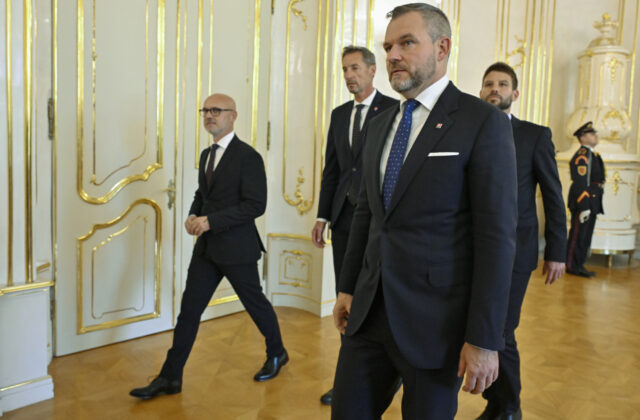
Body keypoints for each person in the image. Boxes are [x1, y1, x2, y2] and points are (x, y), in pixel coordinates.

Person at [331, 4, 518, 419]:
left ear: (442, 47)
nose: (393, 55)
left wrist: (485, 339)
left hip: (437, 325)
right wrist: (347, 287)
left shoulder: (481, 122)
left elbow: (496, 238)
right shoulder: (379, 124)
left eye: (406, 43)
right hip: (368, 315)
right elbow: (367, 214)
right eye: (388, 47)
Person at [130, 94, 288, 400]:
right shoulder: (206, 155)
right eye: (205, 110)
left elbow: (256, 205)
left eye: (216, 110)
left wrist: (211, 221)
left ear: (233, 115)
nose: (209, 115)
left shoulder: (249, 157)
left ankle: (277, 352)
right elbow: (203, 195)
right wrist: (193, 214)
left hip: (238, 249)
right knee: (189, 311)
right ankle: (170, 377)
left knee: (255, 305)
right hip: (207, 250)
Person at [477, 62, 567, 420]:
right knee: (482, 328)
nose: (494, 89)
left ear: (514, 93)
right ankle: (495, 402)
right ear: (480, 92)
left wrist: (557, 251)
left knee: (501, 330)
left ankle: (509, 406)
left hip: (516, 250)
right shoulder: (468, 131)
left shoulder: (534, 135)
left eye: (502, 84)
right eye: (488, 84)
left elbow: (553, 196)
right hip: (473, 249)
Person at [312, 45, 397, 406]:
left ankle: (388, 373)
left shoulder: (394, 109)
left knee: (377, 297)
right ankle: (348, 378)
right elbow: (332, 170)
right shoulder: (339, 114)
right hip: (345, 219)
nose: (349, 75)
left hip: (379, 222)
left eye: (355, 68)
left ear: (372, 70)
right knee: (345, 297)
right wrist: (322, 216)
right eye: (345, 69)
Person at [566, 121, 605, 277]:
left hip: (593, 200)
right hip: (585, 200)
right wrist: (584, 206)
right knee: (578, 235)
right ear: (582, 138)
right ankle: (572, 265)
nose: (595, 136)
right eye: (591, 133)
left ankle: (579, 264)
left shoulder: (593, 155)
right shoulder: (582, 156)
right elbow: (581, 182)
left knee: (586, 235)